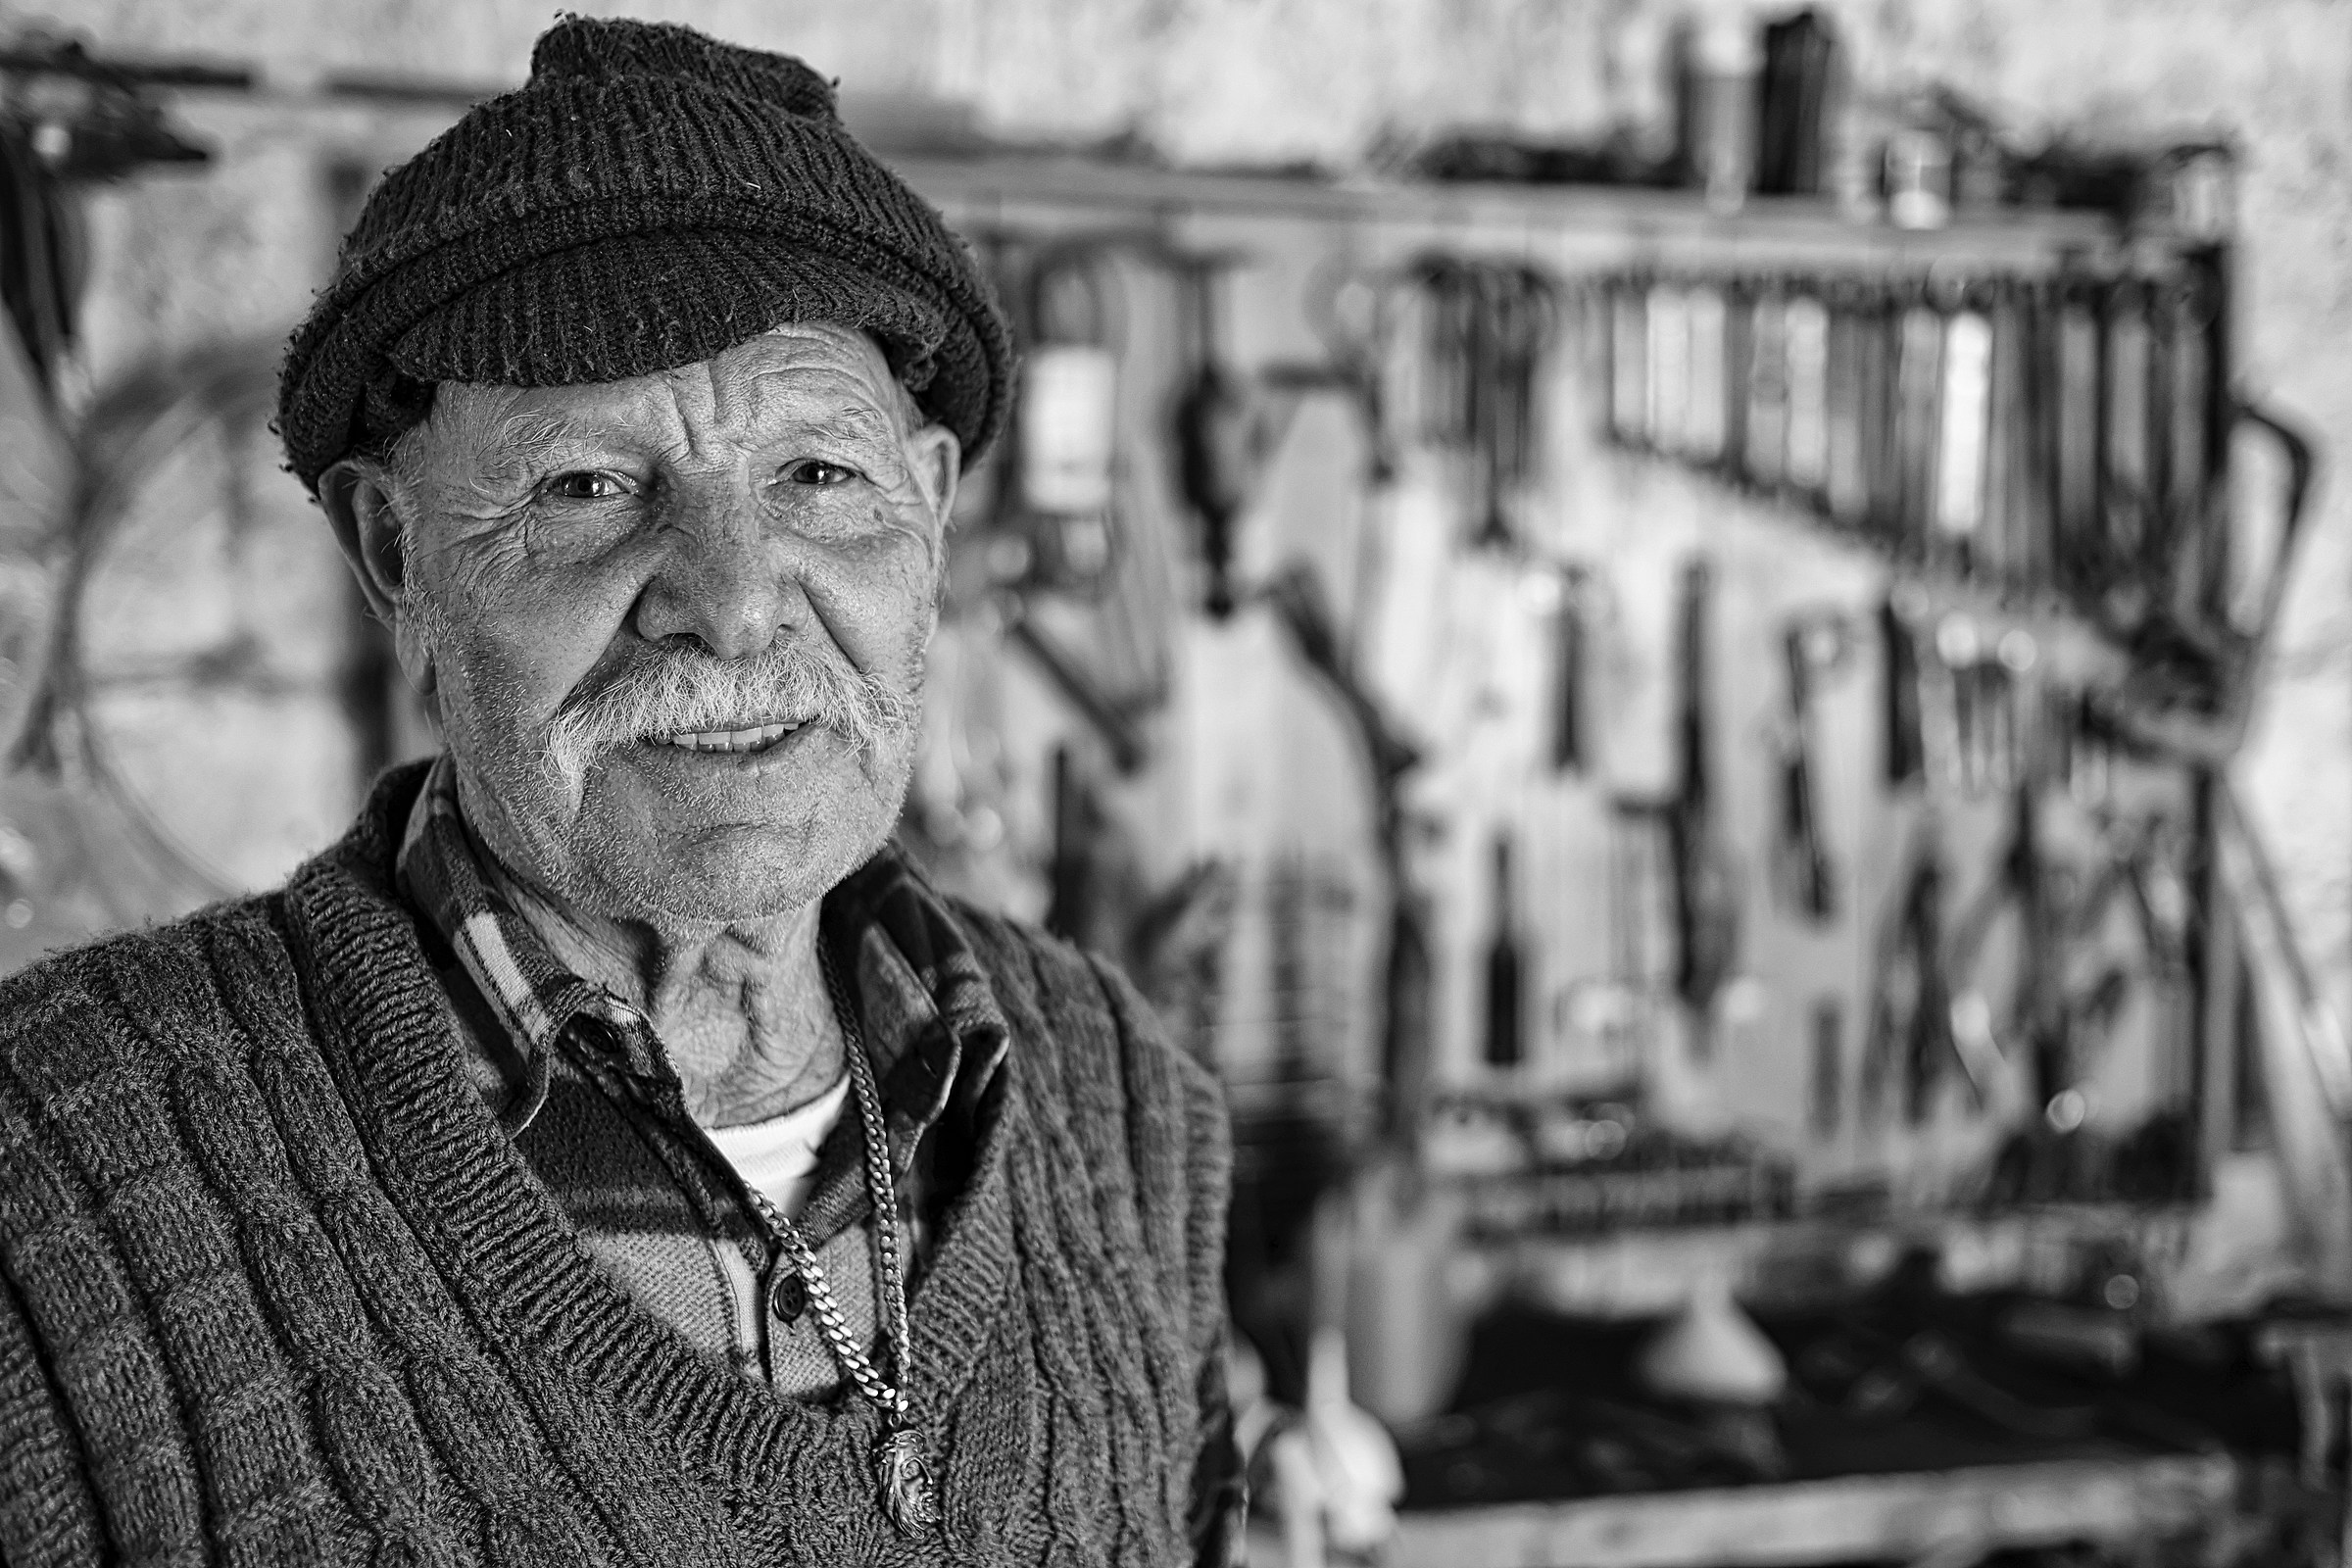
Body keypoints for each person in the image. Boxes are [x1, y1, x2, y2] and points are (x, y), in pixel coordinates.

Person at [0, 17, 1241, 1566]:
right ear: (398, 555)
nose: (732, 604)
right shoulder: (55, 1178)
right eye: (588, 487)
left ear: (925, 510)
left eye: (819, 478)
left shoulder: (1120, 1101)